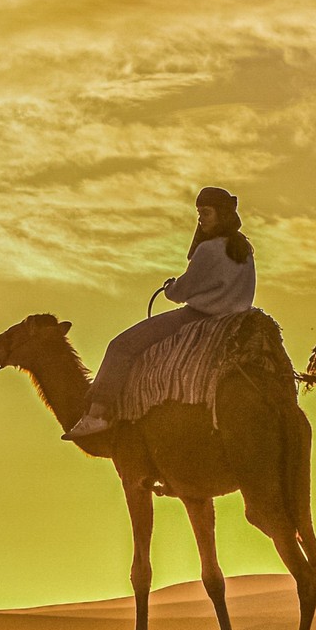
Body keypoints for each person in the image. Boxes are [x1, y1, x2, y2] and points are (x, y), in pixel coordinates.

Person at [62, 187, 255, 441]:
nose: (201, 219)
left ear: (221, 215)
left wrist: (170, 288)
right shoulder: (244, 250)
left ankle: (98, 414)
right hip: (236, 320)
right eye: (199, 214)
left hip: (199, 318)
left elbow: (182, 292)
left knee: (121, 346)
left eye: (206, 213)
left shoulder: (208, 250)